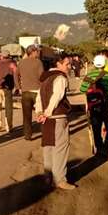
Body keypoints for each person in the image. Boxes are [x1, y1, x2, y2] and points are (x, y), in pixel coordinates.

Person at [35, 53, 77, 190]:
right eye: (67, 64)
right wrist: (46, 113)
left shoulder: (45, 79)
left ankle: (48, 176)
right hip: (57, 117)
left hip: (47, 118)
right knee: (60, 149)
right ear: (58, 64)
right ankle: (59, 179)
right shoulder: (60, 78)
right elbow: (56, 97)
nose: (69, 67)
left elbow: (39, 98)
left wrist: (40, 113)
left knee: (48, 147)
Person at [80, 54, 108, 155]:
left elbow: (82, 90)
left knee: (96, 127)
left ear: (94, 64)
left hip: (93, 107)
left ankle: (99, 148)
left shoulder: (88, 76)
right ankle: (107, 147)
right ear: (105, 64)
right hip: (107, 106)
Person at [17, 45, 44, 140]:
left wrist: (18, 87)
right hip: (37, 91)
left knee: (26, 115)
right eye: (37, 51)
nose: (38, 53)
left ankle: (27, 135)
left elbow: (16, 75)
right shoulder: (38, 62)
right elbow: (42, 76)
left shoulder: (21, 63)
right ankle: (44, 132)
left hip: (25, 91)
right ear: (33, 52)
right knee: (40, 112)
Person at [0, 51, 19, 133]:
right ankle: (8, 126)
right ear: (9, 56)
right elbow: (16, 76)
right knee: (8, 108)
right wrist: (17, 87)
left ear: (1, 56)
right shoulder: (12, 64)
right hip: (8, 89)